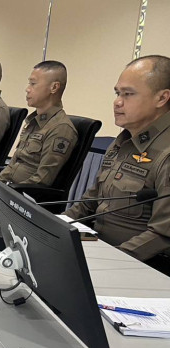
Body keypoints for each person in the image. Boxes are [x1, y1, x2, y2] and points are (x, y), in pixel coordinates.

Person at [65, 55, 170, 268]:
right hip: (98, 249)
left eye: (128, 94)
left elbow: (162, 234)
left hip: (138, 265)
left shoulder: (165, 153)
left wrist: (109, 262)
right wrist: (57, 227)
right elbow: (90, 201)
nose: (117, 102)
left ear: (162, 98)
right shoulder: (122, 141)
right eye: (117, 93)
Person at [0, 61, 78, 185]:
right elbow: (13, 164)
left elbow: (42, 180)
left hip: (22, 193)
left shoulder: (61, 128)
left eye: (33, 84)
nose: (27, 89)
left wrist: (9, 190)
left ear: (54, 87)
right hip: (8, 188)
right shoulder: (34, 122)